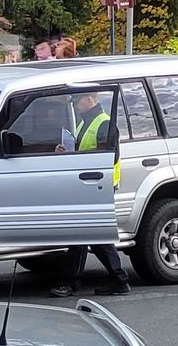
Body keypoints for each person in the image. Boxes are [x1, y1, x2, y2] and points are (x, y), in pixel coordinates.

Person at [50, 92, 131, 297]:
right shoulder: (86, 122)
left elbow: (107, 155)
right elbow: (84, 150)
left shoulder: (104, 123)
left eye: (77, 102)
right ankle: (115, 279)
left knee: (91, 234)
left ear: (90, 99)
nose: (75, 106)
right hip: (87, 184)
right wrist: (66, 151)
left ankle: (113, 279)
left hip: (97, 185)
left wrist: (74, 156)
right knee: (86, 234)